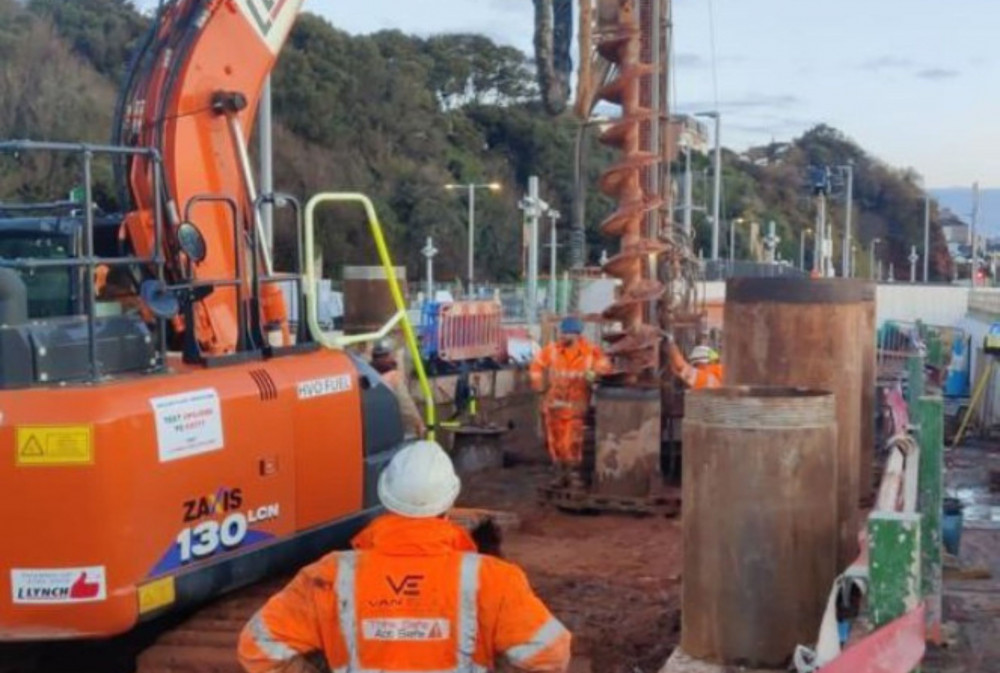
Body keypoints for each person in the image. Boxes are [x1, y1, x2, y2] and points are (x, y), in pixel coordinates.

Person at [238, 441, 571, 673]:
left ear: (386, 499)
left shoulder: (329, 575)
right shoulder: (493, 578)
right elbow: (550, 654)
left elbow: (258, 646)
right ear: (448, 505)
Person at [529, 316, 611, 483]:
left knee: (571, 441)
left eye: (567, 334)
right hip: (553, 406)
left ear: (576, 335)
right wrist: (539, 386)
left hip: (576, 407)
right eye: (562, 333)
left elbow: (605, 365)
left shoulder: (590, 351)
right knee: (554, 441)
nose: (563, 336)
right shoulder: (552, 350)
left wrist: (595, 373)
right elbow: (536, 365)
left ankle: (573, 472)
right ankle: (559, 472)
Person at [371, 339, 426, 438]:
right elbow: (406, 405)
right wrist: (418, 424)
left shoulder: (366, 372)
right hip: (391, 429)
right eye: (394, 354)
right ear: (389, 355)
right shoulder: (393, 376)